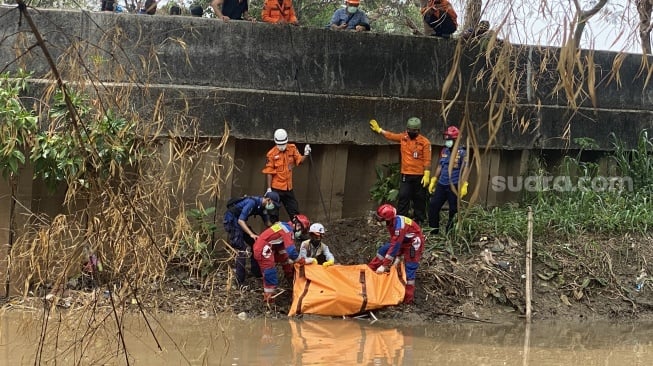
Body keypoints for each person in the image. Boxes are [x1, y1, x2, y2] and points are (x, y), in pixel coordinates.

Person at [369, 117, 432, 225]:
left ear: (418, 131)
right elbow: (391, 136)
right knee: (403, 196)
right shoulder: (403, 138)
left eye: (414, 130)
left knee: (419, 198)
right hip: (406, 174)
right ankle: (401, 219)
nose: (411, 132)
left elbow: (427, 160)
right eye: (409, 130)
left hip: (419, 176)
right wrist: (380, 130)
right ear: (407, 129)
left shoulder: (424, 142)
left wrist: (427, 174)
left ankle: (419, 219)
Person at [368, 204, 424, 304]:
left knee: (410, 268)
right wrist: (396, 255)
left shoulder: (399, 227)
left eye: (382, 219)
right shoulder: (392, 222)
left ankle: (408, 298)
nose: (380, 222)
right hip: (403, 240)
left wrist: (384, 266)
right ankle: (370, 268)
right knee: (383, 250)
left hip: (413, 243)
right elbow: (395, 241)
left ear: (388, 218)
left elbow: (395, 246)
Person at [223, 191, 281, 285]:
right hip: (232, 221)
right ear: (268, 200)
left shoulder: (263, 207)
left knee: (256, 243)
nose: (273, 207)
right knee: (241, 249)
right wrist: (251, 234)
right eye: (273, 204)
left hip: (240, 222)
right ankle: (239, 281)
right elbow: (241, 221)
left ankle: (256, 272)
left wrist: (279, 227)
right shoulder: (252, 202)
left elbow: (268, 224)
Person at [253, 214, 311, 303]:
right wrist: (303, 261)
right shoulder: (287, 231)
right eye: (302, 230)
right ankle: (269, 300)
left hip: (266, 246)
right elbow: (291, 251)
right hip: (263, 248)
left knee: (285, 259)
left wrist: (289, 267)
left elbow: (284, 251)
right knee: (270, 273)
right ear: (299, 225)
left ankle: (290, 278)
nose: (300, 233)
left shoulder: (285, 226)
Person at [262, 128, 311, 223]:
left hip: (288, 188)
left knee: (294, 211)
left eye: (283, 144)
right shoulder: (271, 154)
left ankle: (298, 233)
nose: (282, 147)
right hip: (276, 188)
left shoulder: (292, 148)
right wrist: (269, 189)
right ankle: (275, 234)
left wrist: (306, 154)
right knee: (273, 213)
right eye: (280, 145)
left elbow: (299, 161)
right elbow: (269, 172)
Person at [428, 125, 469, 234]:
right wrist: (434, 179)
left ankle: (450, 232)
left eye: (450, 139)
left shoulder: (462, 153)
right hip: (442, 184)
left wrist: (464, 184)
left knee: (453, 210)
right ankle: (433, 231)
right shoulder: (444, 151)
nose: (447, 141)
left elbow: (465, 169)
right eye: (446, 139)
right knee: (433, 206)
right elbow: (440, 166)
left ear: (456, 140)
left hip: (454, 186)